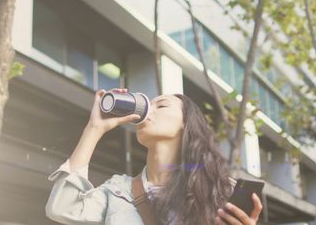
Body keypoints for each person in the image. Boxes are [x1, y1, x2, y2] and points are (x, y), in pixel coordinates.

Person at [45, 88, 263, 225]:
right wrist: (94, 128)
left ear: (185, 123)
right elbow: (62, 208)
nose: (149, 110)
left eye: (162, 105)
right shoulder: (118, 190)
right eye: (148, 104)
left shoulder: (220, 191)